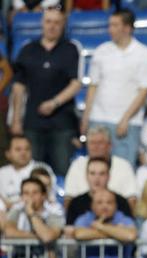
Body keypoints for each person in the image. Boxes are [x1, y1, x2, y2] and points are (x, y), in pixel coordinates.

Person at [81, 8, 147, 167]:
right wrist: (86, 118)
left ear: (127, 28)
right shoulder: (101, 51)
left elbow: (144, 91)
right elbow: (93, 86)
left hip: (127, 124)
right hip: (98, 119)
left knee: (124, 168)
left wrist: (125, 119)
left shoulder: (143, 53)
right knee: (95, 168)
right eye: (110, 25)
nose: (110, 29)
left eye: (114, 25)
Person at [10, 7, 81, 176]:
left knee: (63, 170)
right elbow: (18, 87)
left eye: (57, 22)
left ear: (63, 24)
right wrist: (16, 119)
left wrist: (54, 102)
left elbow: (76, 83)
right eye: (48, 21)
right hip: (33, 122)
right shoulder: (28, 49)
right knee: (31, 171)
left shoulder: (71, 49)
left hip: (62, 122)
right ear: (42, 23)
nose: (52, 26)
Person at [64, 126, 137, 210]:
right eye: (92, 143)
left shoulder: (123, 166)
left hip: (116, 217)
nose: (95, 147)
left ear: (109, 145)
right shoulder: (77, 165)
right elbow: (68, 198)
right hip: (82, 215)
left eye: (100, 143)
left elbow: (132, 199)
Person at [5, 177, 64, 257]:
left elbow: (47, 237)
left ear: (43, 195)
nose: (30, 197)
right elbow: (9, 232)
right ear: (21, 196)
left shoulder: (55, 212)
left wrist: (31, 213)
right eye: (26, 193)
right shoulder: (16, 210)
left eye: (35, 192)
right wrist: (38, 236)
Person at [66, 157, 132, 226]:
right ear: (86, 176)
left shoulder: (121, 202)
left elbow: (131, 231)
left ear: (108, 176)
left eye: (102, 174)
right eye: (92, 173)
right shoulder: (75, 203)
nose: (97, 178)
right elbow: (70, 231)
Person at [74, 189, 137, 258]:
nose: (104, 206)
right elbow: (79, 234)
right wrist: (116, 233)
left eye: (109, 202)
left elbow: (130, 236)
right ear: (92, 206)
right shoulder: (84, 218)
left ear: (116, 205)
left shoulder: (123, 218)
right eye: (99, 202)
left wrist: (100, 227)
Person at [0, 135, 53, 210]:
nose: (23, 152)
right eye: (18, 149)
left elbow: (45, 198)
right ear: (8, 154)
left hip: (37, 212)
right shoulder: (2, 172)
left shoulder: (42, 168)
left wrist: (12, 205)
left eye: (27, 149)